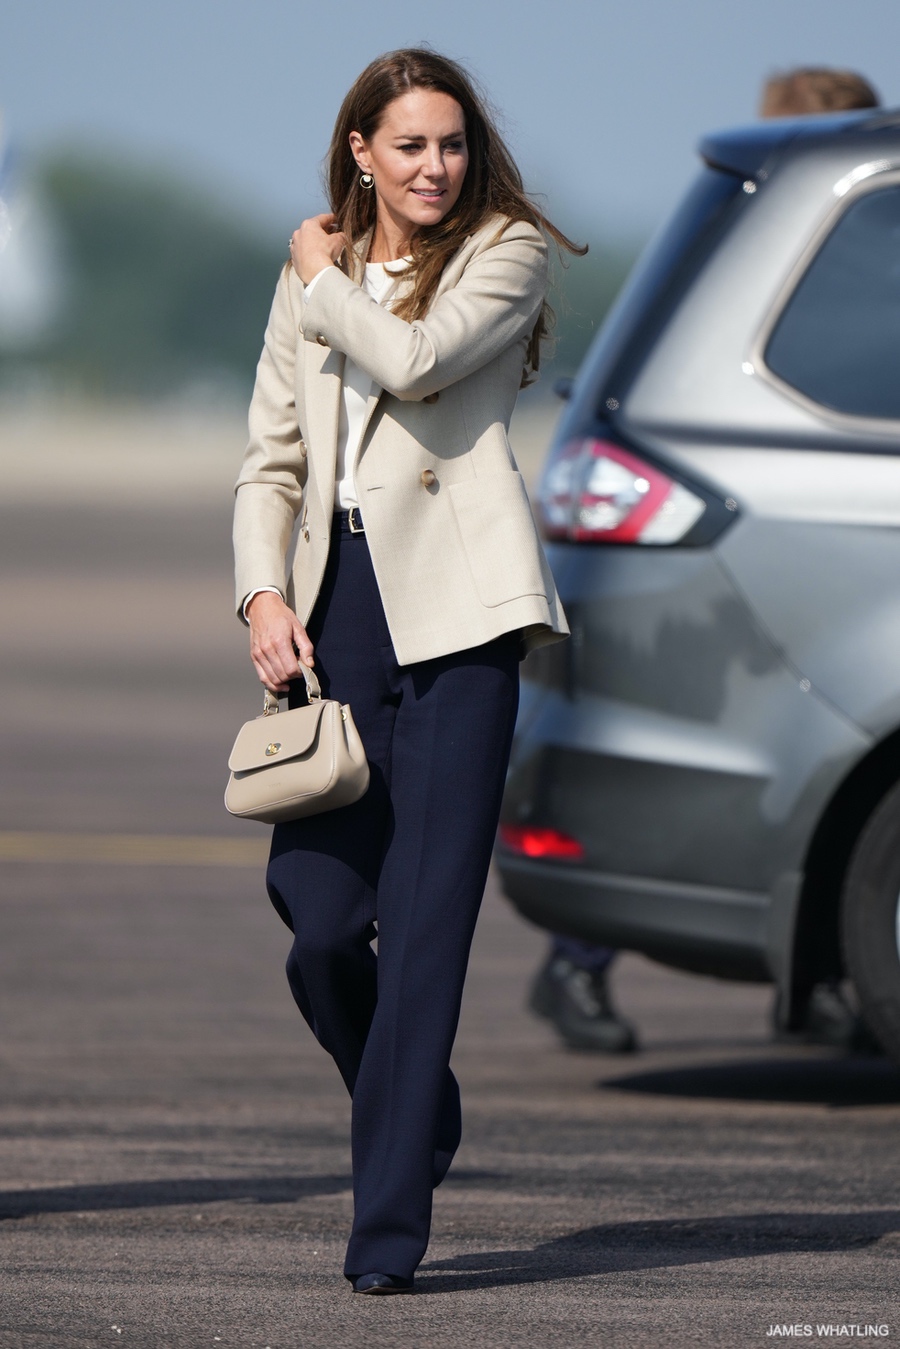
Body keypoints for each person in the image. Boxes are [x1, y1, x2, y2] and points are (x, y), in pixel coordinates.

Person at [233, 48, 579, 1295]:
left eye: (451, 143)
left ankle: (385, 1236)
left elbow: (416, 360)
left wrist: (324, 277)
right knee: (322, 925)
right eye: (411, 145)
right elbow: (270, 460)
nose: (435, 166)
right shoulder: (314, 269)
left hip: (462, 622)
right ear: (363, 152)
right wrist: (262, 591)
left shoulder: (507, 250)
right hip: (337, 621)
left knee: (425, 936)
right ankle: (418, 1109)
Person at [528, 64, 882, 1059]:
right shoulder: (819, 251)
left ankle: (804, 978)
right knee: (690, 747)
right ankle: (578, 953)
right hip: (739, 553)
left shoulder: (739, 235)